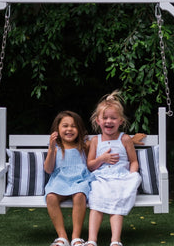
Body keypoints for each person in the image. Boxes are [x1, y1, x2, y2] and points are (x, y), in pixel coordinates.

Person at [84, 90, 142, 246]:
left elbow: (133, 161)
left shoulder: (125, 139)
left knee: (117, 202)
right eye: (105, 118)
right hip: (101, 178)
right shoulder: (96, 141)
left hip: (121, 178)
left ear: (121, 121)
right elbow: (90, 165)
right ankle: (91, 240)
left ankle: (115, 240)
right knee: (95, 201)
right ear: (98, 121)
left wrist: (132, 174)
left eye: (113, 118)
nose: (109, 121)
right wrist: (102, 159)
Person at [44, 110, 91, 246]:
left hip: (79, 180)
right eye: (65, 126)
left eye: (74, 126)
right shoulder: (55, 147)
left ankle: (76, 237)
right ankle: (62, 237)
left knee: (80, 195)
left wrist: (130, 140)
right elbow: (48, 169)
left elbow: (107, 139)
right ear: (57, 129)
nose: (69, 129)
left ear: (79, 129)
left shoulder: (84, 145)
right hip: (60, 181)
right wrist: (52, 149)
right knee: (51, 197)